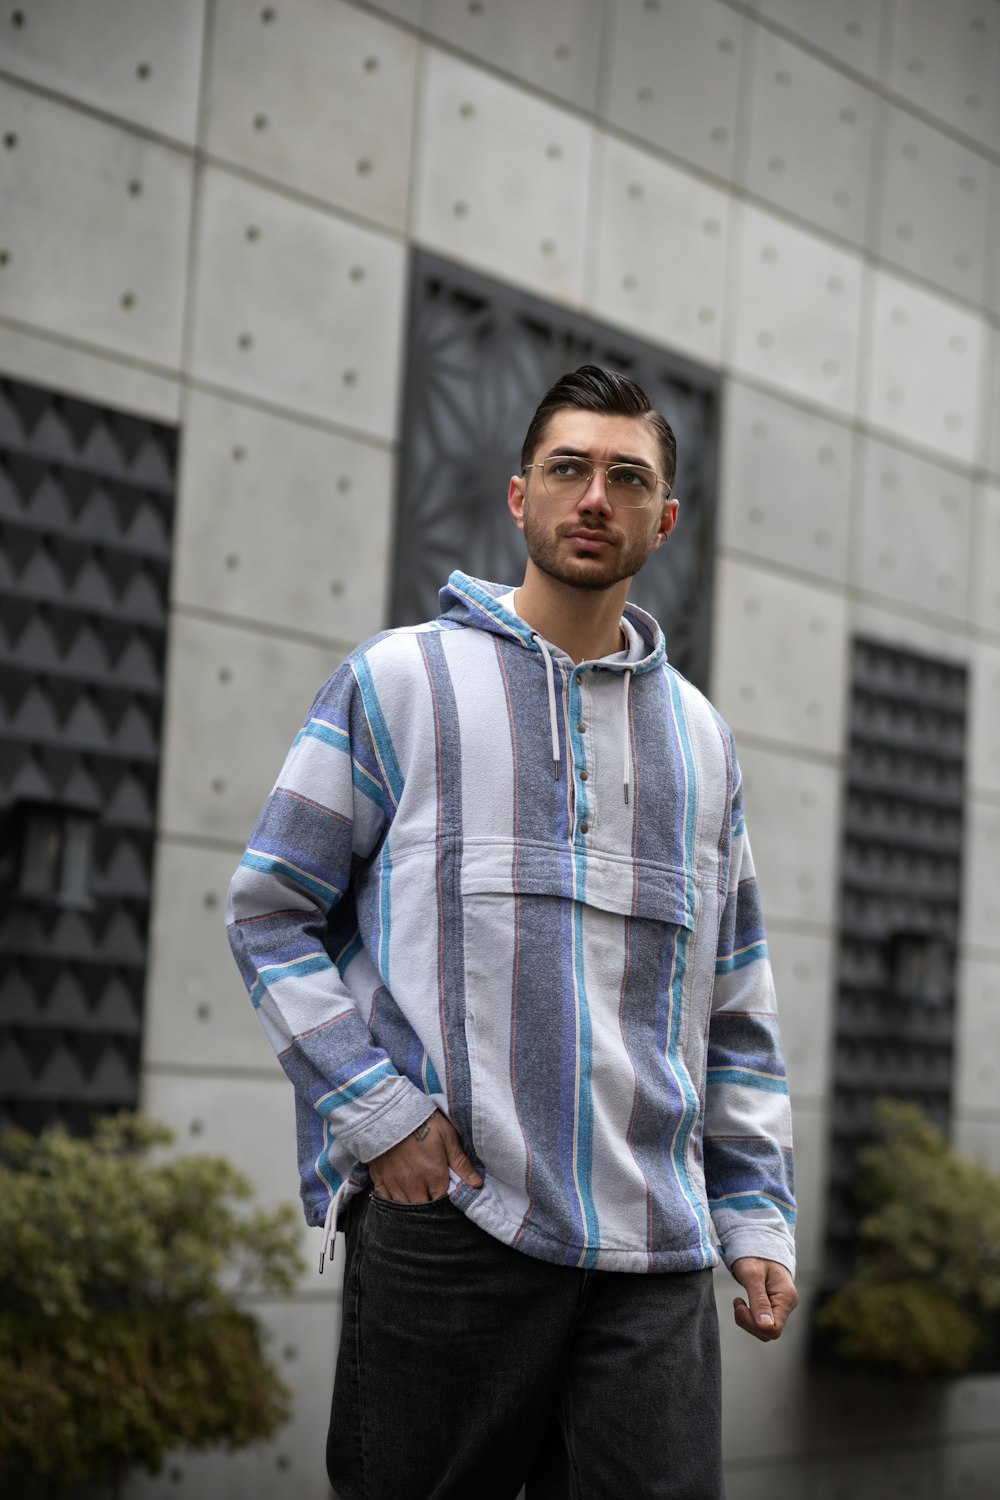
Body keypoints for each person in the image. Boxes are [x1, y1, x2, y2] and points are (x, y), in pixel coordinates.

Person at [227, 365, 797, 1500]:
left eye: (626, 478)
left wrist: (756, 1211)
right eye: (568, 469)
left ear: (664, 518)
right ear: (517, 497)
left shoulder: (700, 740)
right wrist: (380, 1120)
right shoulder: (399, 682)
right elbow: (269, 910)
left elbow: (735, 1003)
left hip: (656, 1254)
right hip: (452, 1231)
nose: (595, 496)